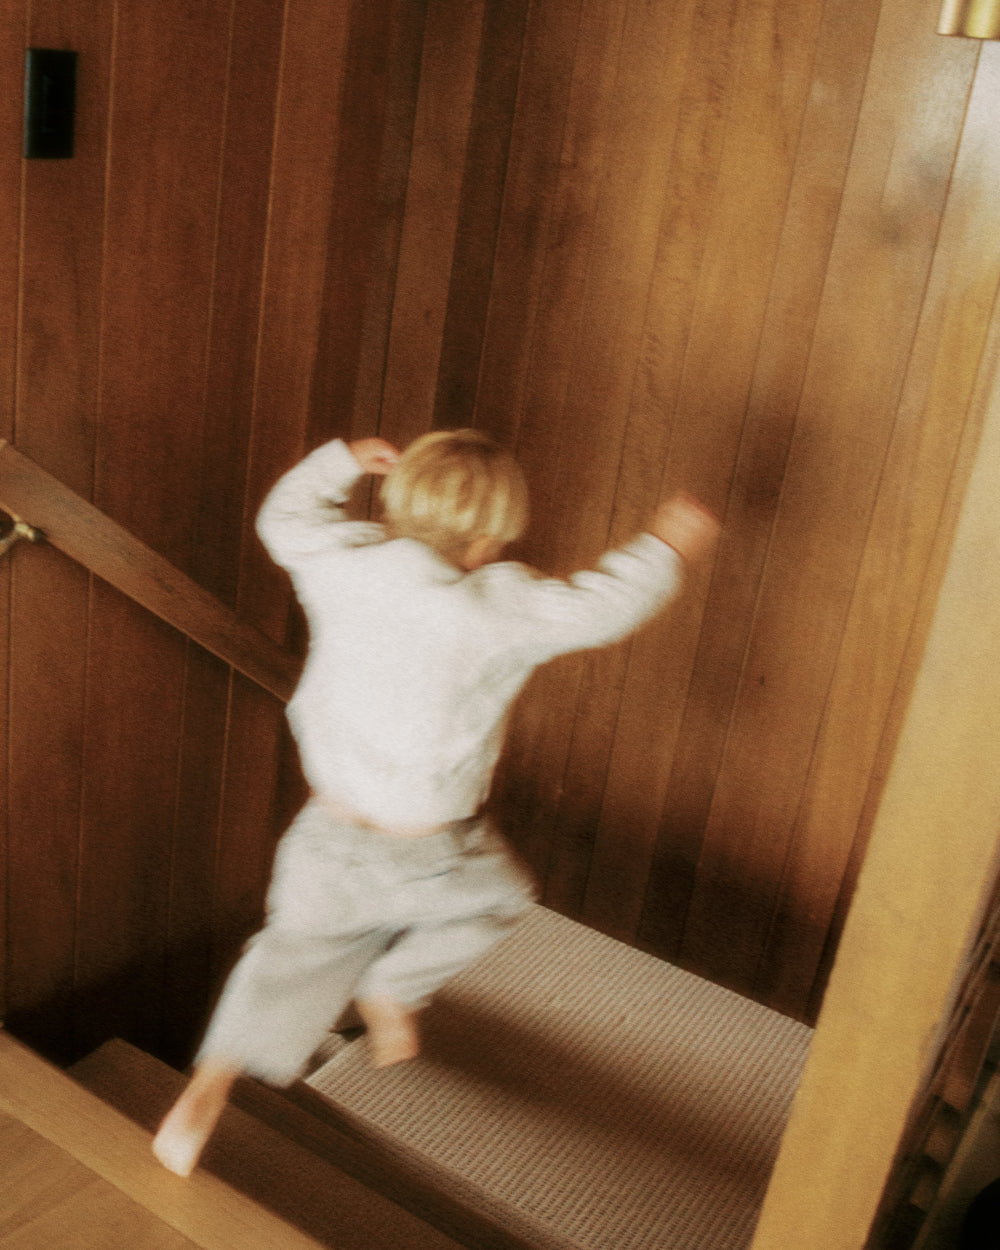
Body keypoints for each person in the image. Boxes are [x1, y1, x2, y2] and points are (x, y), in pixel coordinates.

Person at [152, 428, 719, 1177]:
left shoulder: (340, 560)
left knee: (286, 959)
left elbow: (281, 519)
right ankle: (394, 989)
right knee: (502, 900)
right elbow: (603, 606)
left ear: (398, 503)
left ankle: (207, 1089)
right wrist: (666, 546)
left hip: (325, 831)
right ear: (488, 540)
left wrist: (340, 462)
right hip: (431, 852)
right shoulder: (497, 606)